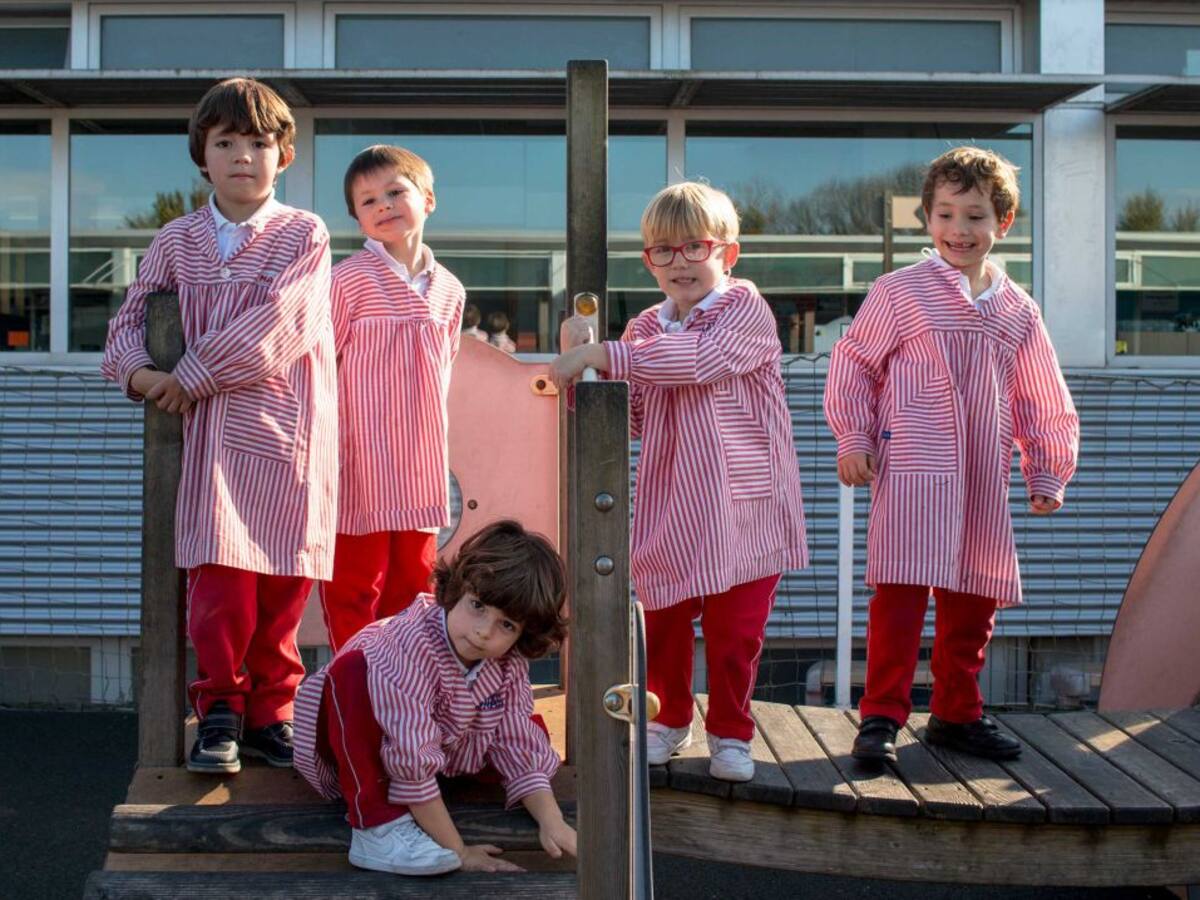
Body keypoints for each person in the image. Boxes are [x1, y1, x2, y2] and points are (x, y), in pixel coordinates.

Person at [100, 77, 336, 774]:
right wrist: (138, 374)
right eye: (225, 142)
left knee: (282, 586)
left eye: (259, 143)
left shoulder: (304, 234)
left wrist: (189, 376)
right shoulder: (176, 241)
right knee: (221, 586)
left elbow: (283, 323)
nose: (242, 157)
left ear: (284, 154)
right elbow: (129, 319)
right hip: (206, 442)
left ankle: (272, 714)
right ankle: (221, 713)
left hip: (288, 434)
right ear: (201, 155)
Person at [824, 146, 1080, 764]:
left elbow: (1041, 392)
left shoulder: (1017, 309)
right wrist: (854, 436)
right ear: (927, 219)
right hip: (911, 469)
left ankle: (957, 713)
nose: (958, 231)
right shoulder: (900, 292)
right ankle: (880, 717)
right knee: (901, 596)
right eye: (945, 215)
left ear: (1003, 223)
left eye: (974, 217)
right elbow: (855, 363)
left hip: (982, 478)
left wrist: (1046, 466)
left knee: (973, 598)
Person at [549, 182, 809, 782]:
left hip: (745, 507)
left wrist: (601, 357)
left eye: (695, 246)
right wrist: (582, 380)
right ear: (648, 262)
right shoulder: (644, 327)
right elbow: (633, 411)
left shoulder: (744, 308)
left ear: (728, 254)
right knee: (662, 618)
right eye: (662, 251)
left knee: (734, 633)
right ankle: (667, 720)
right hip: (673, 500)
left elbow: (698, 361)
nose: (679, 262)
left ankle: (731, 732)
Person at [293, 519, 576, 876]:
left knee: (526, 726)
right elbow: (410, 756)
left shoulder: (507, 662)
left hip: (441, 753)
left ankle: (433, 796)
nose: (483, 631)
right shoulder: (409, 646)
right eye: (478, 606)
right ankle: (376, 827)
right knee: (352, 670)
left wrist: (552, 820)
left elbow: (516, 742)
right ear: (458, 590)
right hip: (360, 750)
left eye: (507, 625)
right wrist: (459, 851)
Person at [320, 145, 466, 652]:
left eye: (394, 192)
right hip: (355, 461)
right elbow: (320, 368)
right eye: (367, 200)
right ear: (356, 218)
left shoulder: (449, 289)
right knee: (353, 587)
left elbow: (443, 368)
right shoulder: (344, 281)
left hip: (418, 461)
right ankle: (354, 686)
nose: (382, 205)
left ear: (427, 199)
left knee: (413, 587)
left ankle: (404, 683)